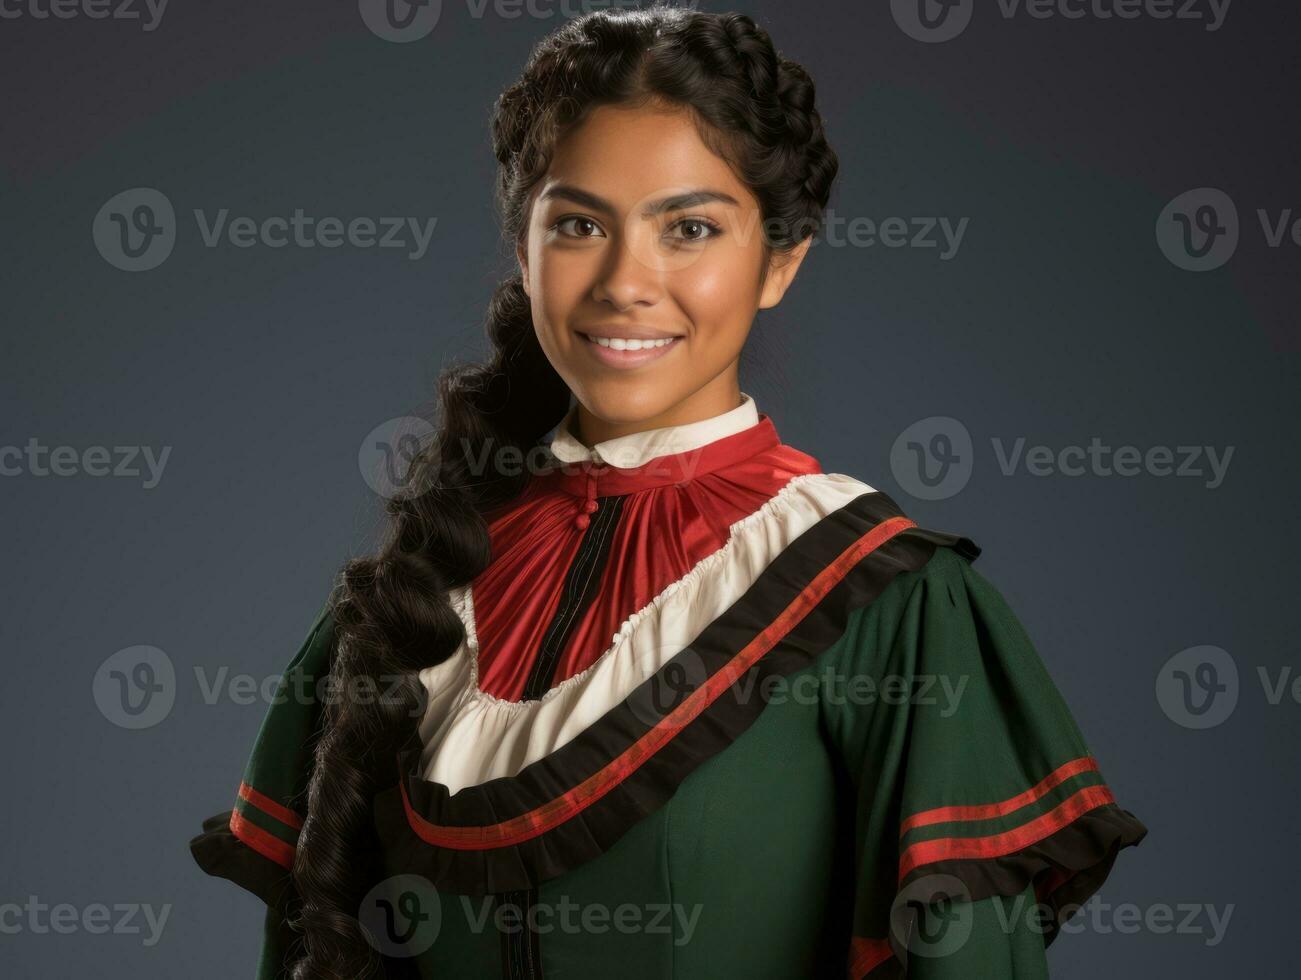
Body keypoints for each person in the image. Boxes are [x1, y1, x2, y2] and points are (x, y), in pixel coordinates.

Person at [189, 6, 1146, 978]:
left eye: (687, 227)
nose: (624, 281)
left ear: (779, 259)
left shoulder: (888, 604)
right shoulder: (409, 593)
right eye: (576, 224)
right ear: (522, 250)